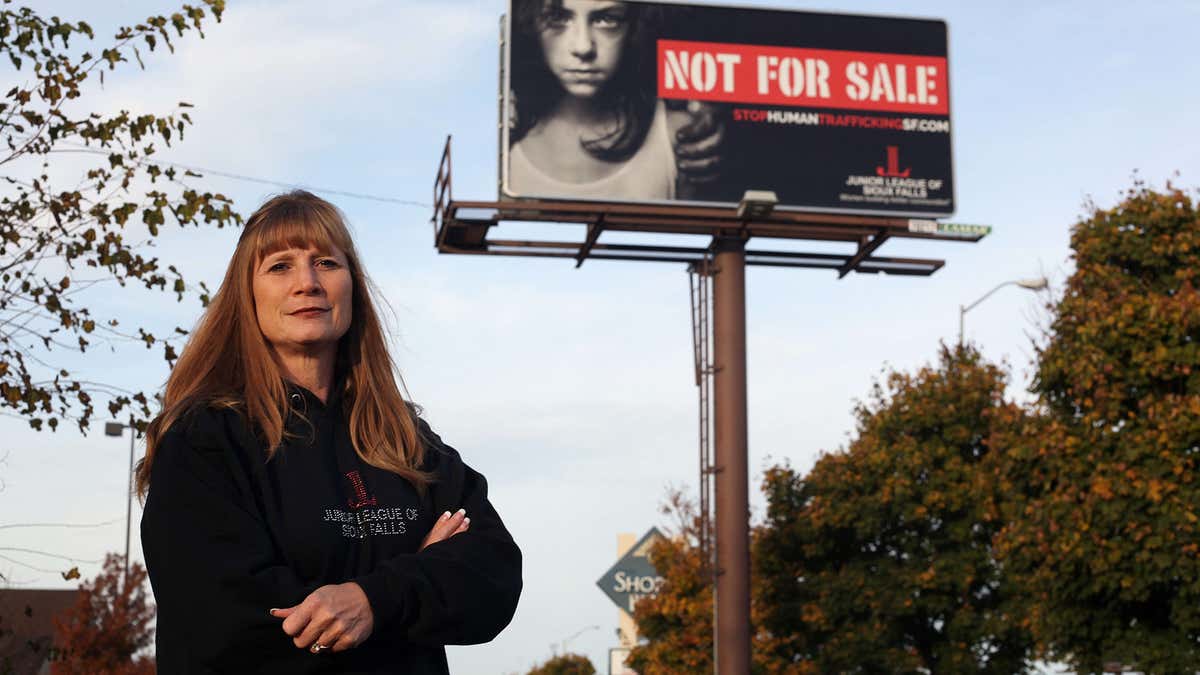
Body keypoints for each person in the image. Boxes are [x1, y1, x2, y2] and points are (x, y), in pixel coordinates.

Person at [137, 191, 522, 673]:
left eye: (326, 262)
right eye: (280, 266)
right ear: (247, 295)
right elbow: (227, 623)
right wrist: (419, 580)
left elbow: (494, 573)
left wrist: (373, 600)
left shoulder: (407, 441)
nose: (308, 283)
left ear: (352, 287)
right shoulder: (206, 440)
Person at [507, 0, 724, 201]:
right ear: (530, 22)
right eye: (558, 18)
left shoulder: (677, 135)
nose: (583, 47)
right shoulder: (501, 129)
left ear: (634, 26)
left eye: (606, 19)